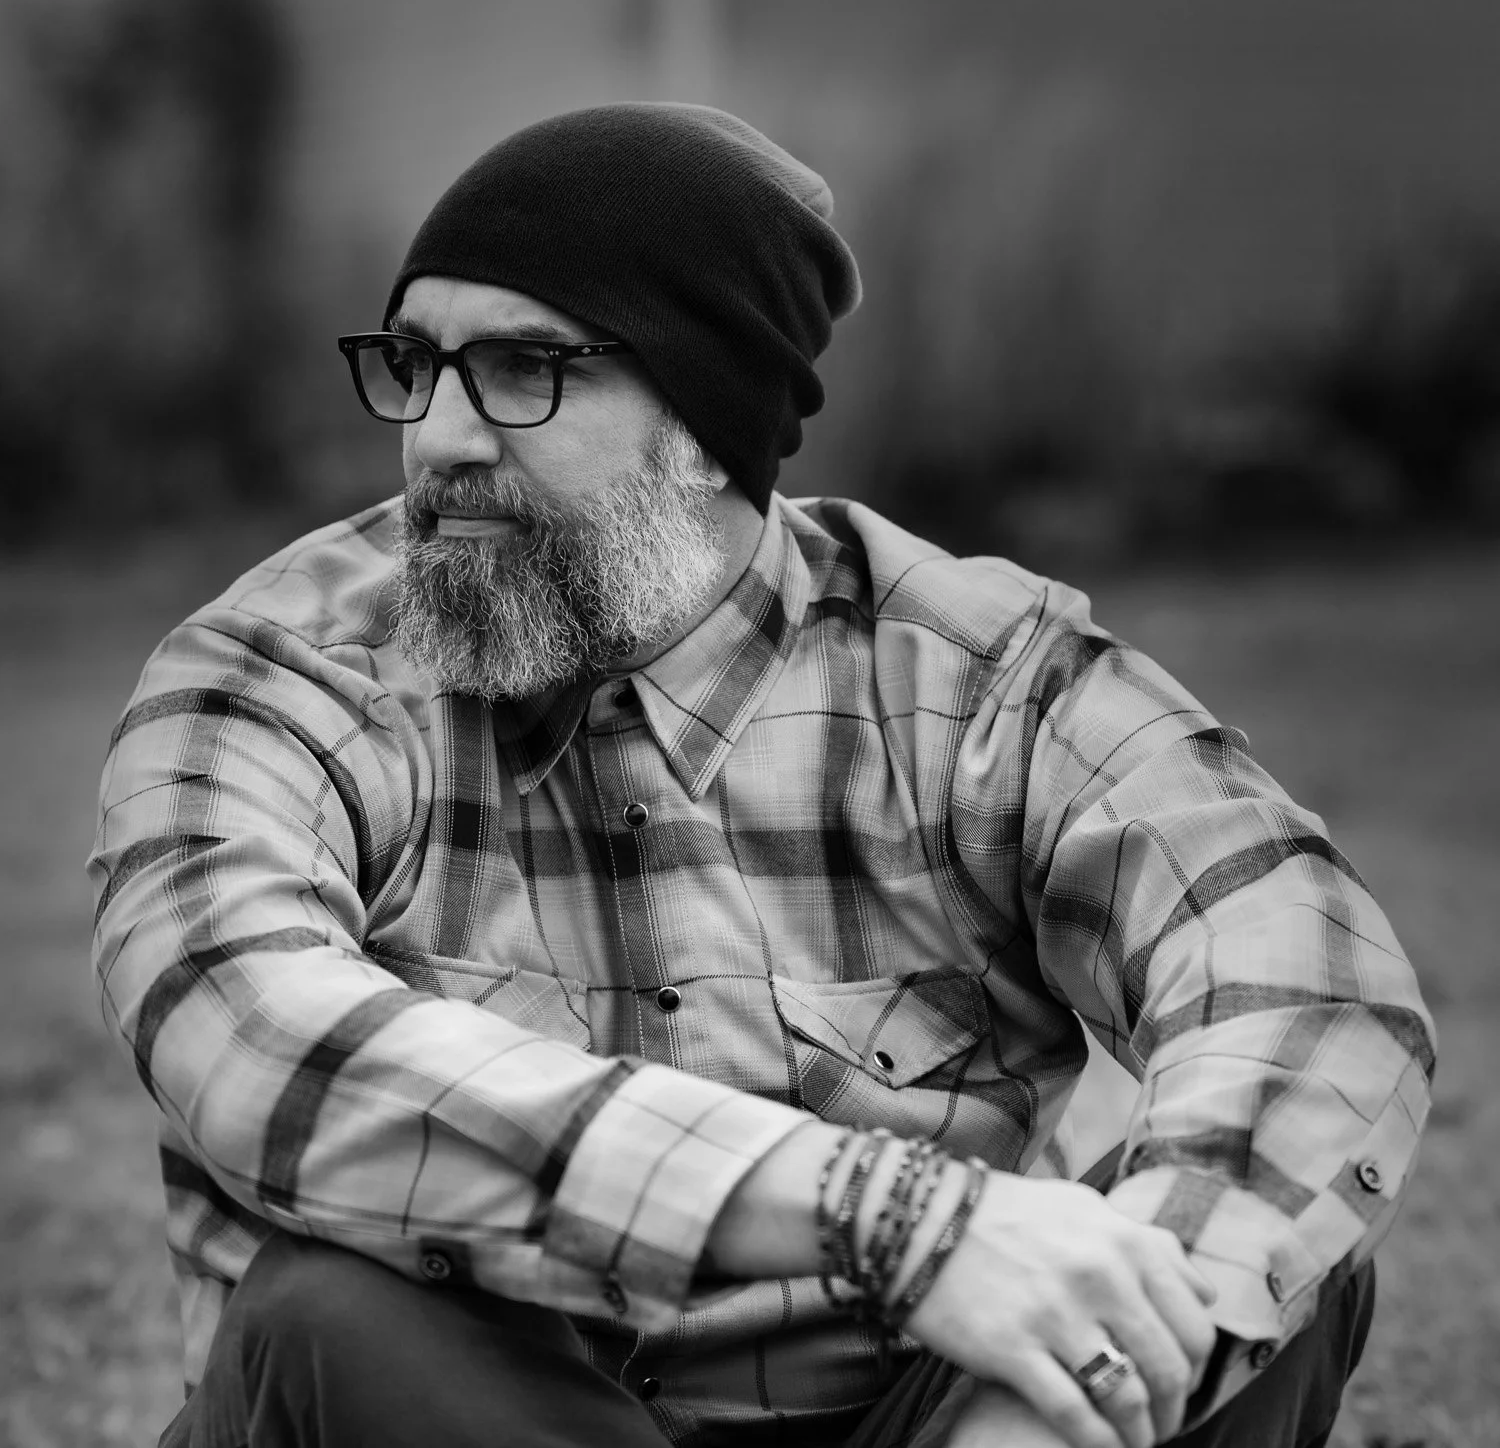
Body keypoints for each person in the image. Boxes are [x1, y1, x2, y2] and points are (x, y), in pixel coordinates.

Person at [89, 104, 1432, 1448]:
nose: (438, 436)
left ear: (706, 416)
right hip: (476, 1411)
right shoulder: (279, 672)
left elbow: (1311, 989)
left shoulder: (977, 678)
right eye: (416, 361)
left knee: (1244, 1261)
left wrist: (1056, 1393)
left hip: (902, 1420)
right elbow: (251, 1030)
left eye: (521, 368)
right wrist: (894, 1219)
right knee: (329, 1311)